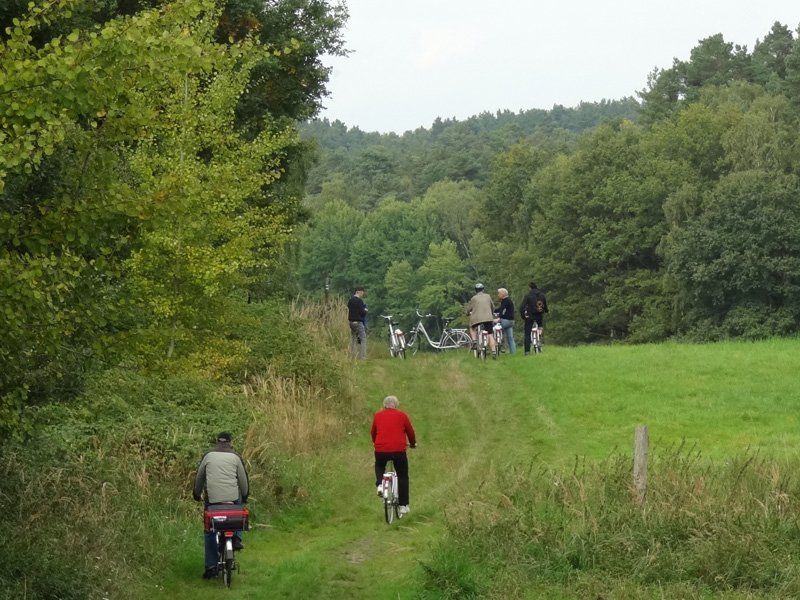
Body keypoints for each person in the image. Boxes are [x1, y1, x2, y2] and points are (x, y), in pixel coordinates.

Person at [193, 431, 249, 579]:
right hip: (232, 500)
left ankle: (211, 566)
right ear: (230, 442)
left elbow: (199, 479)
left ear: (217, 441)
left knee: (209, 530)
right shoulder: (235, 457)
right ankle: (236, 538)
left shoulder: (208, 456)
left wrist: (196, 494)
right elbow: (244, 482)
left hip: (213, 502)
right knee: (239, 508)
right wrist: (244, 496)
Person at [371, 395, 416, 517]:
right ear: (396, 405)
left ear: (384, 405)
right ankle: (403, 505)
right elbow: (410, 431)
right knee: (402, 475)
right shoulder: (402, 415)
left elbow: (373, 432)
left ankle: (380, 485)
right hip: (398, 450)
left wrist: (376, 443)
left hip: (381, 449)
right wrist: (412, 443)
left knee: (379, 465)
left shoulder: (378, 415)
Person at [466, 282, 496, 356]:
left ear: (475, 290)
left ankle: (475, 341)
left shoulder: (474, 298)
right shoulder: (488, 296)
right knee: (490, 334)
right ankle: (494, 351)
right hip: (488, 318)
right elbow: (493, 307)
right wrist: (491, 314)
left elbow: (469, 309)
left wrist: (467, 313)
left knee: (472, 328)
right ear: (483, 289)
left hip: (477, 319)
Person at [520, 281, 548, 355]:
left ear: (530, 287)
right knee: (540, 326)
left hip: (530, 316)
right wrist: (545, 311)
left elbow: (522, 307)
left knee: (527, 334)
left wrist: (523, 316)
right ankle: (540, 338)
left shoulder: (528, 295)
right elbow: (545, 305)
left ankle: (527, 351)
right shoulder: (542, 295)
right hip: (539, 315)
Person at [348, 286, 368, 360]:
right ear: (358, 292)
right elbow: (362, 313)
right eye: (362, 292)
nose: (362, 294)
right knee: (363, 339)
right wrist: (365, 310)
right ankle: (363, 357)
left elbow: (349, 307)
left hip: (351, 322)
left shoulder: (350, 300)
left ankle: (353, 357)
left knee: (353, 339)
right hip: (358, 322)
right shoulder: (359, 301)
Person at [495, 287, 516, 354]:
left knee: (492, 328)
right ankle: (513, 352)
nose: (498, 295)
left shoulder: (505, 301)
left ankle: (494, 346)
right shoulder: (509, 300)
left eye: (499, 293)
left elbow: (502, 310)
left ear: (502, 294)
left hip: (505, 321)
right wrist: (493, 310)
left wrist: (499, 318)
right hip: (511, 321)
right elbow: (500, 309)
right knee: (510, 338)